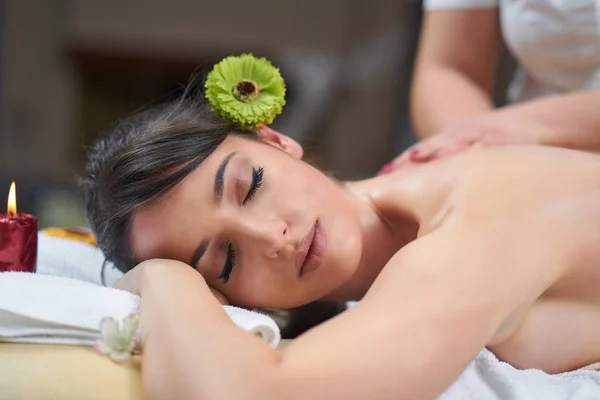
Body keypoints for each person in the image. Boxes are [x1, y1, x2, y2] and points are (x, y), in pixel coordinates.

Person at [82, 91, 600, 400]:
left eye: (251, 186)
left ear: (277, 139)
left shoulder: (473, 223)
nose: (272, 239)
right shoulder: (412, 224)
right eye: (225, 260)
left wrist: (165, 279)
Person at [381, 0, 600, 172]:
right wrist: (475, 156)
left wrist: (516, 128)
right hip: (525, 165)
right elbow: (449, 68)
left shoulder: (514, 130)